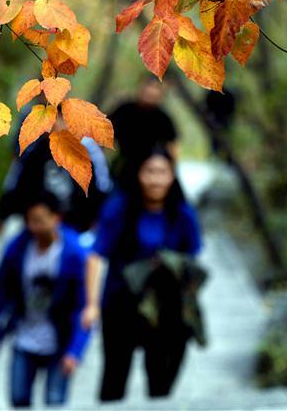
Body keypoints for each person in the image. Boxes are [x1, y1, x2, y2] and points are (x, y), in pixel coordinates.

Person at [81, 146, 204, 401]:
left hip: (165, 307)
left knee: (160, 382)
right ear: (138, 174)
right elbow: (96, 255)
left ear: (172, 175)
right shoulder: (120, 209)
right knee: (114, 378)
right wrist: (91, 305)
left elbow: (192, 259)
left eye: (162, 172)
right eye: (149, 172)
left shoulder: (182, 213)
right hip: (121, 304)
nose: (156, 179)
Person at [0, 192, 91, 407]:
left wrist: (75, 350)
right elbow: (0, 288)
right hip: (25, 336)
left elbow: (84, 306)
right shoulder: (18, 248)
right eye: (30, 221)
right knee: (19, 398)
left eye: (40, 220)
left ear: (56, 218)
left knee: (54, 401)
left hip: (59, 341)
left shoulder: (75, 254)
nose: (34, 227)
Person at [0, 113, 112, 235]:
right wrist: (5, 216)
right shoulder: (37, 149)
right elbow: (18, 184)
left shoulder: (87, 149)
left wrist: (91, 222)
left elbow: (101, 188)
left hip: (75, 226)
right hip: (36, 223)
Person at [108, 78, 178, 180]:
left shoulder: (163, 118)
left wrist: (171, 170)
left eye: (155, 88)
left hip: (152, 169)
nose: (151, 91)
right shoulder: (124, 110)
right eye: (148, 86)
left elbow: (172, 148)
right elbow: (104, 135)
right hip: (124, 166)